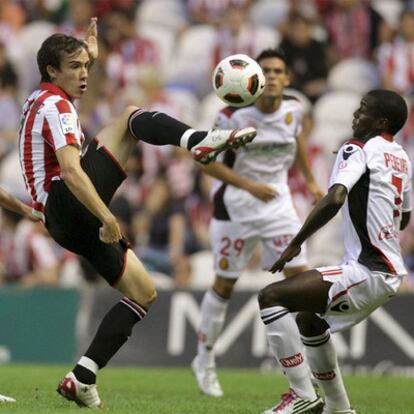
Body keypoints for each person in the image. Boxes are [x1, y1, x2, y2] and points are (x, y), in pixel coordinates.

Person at [18, 17, 256, 408]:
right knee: (129, 117)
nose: (84, 74)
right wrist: (108, 217)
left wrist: (88, 56)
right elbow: (73, 172)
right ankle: (198, 140)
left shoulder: (39, 97)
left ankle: (83, 376)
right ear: (51, 71)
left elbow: (67, 154)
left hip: (63, 223)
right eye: (75, 67)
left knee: (144, 292)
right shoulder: (56, 105)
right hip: (70, 202)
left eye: (86, 66)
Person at [258, 89, 411, 414]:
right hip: (385, 270)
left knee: (271, 297)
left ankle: (301, 395)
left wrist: (297, 241)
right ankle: (339, 408)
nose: (356, 114)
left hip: (369, 270)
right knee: (310, 321)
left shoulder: (357, 147)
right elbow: (406, 215)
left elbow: (336, 197)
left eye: (363, 110)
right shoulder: (401, 156)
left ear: (380, 120)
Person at [192, 48, 324, 397]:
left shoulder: (295, 110)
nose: (274, 76)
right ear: (257, 78)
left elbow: (297, 142)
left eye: (279, 70)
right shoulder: (232, 116)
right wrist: (250, 185)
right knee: (224, 285)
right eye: (267, 70)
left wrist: (310, 182)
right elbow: (206, 162)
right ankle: (204, 361)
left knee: (303, 283)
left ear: (287, 78)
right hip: (235, 207)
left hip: (278, 207)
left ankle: (309, 366)